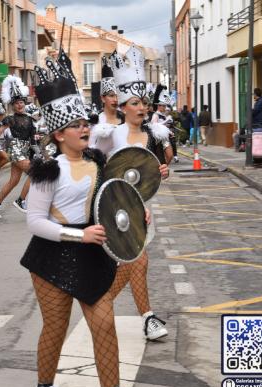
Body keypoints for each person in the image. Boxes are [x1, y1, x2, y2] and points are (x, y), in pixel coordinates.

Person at [22, 48, 151, 387]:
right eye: (76, 125)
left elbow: (114, 195)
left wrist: (137, 211)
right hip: (52, 256)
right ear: (59, 134)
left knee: (104, 325)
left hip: (93, 252)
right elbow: (34, 222)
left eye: (84, 123)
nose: (84, 128)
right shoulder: (47, 171)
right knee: (55, 327)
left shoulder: (97, 160)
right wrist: (76, 235)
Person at [92, 46, 172, 342]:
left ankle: (103, 304)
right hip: (113, 207)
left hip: (141, 209)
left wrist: (162, 172)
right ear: (123, 105)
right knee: (138, 261)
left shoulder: (152, 135)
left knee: (134, 263)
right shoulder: (109, 135)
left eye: (145, 103)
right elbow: (95, 170)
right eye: (136, 103)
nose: (142, 108)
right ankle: (146, 318)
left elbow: (149, 175)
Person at [0, 75, 33, 218]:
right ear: (12, 105)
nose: (19, 105)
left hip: (25, 150)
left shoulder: (30, 119)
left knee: (14, 181)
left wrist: (35, 150)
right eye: (16, 103)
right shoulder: (10, 119)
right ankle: (21, 200)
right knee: (36, 173)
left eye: (21, 102)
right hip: (15, 148)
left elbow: (33, 138)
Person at [151, 85, 178, 163]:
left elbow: (164, 127)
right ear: (159, 106)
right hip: (158, 140)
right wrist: (166, 121)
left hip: (165, 139)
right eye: (163, 106)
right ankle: (160, 171)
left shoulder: (163, 115)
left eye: (165, 106)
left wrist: (170, 132)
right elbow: (154, 126)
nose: (165, 108)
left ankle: (163, 169)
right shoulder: (155, 115)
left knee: (170, 156)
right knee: (160, 158)